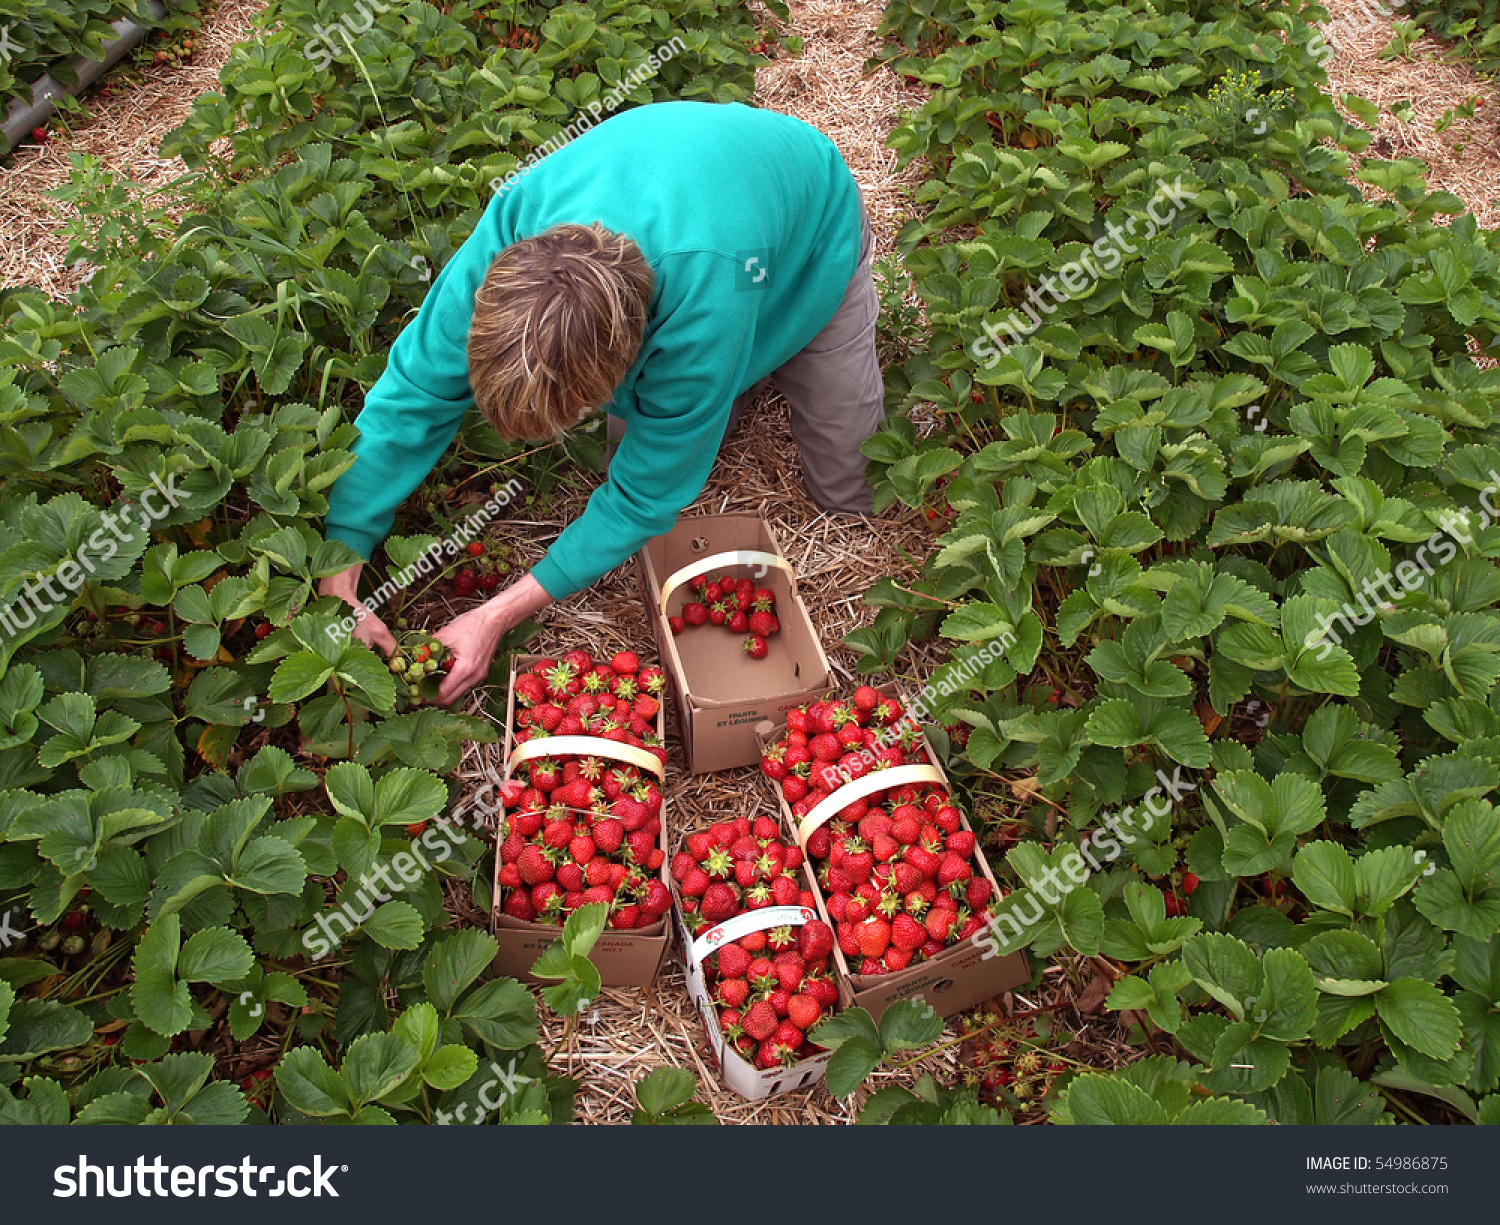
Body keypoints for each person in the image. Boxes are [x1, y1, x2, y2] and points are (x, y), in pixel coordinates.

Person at [318, 100, 885, 703]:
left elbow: (645, 495)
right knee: (675, 422)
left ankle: (772, 381)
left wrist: (496, 616)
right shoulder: (514, 231)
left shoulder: (704, 302)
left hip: (808, 231)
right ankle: (726, 385)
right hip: (706, 206)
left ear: (627, 355)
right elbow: (415, 391)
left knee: (846, 476)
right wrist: (341, 565)